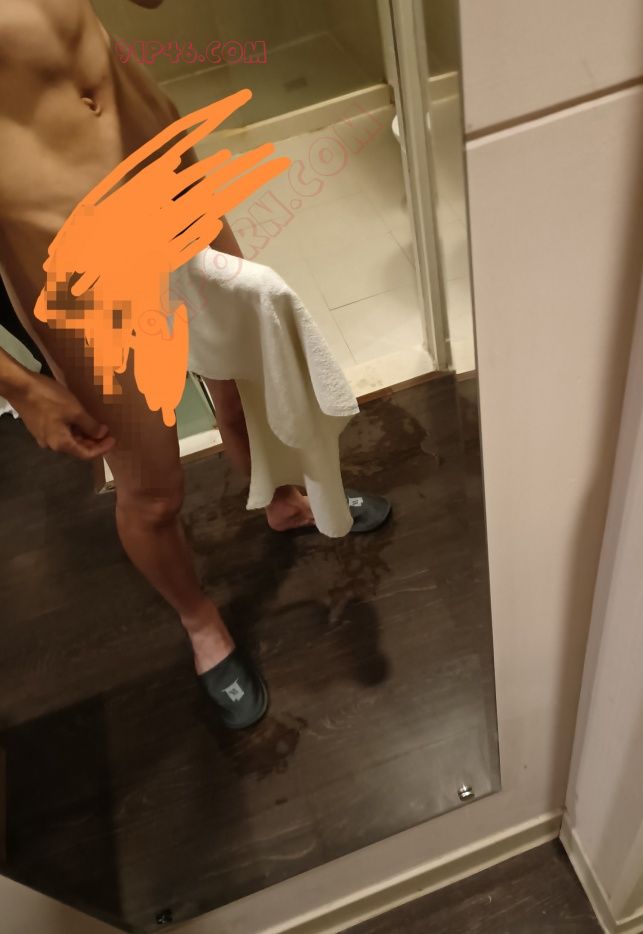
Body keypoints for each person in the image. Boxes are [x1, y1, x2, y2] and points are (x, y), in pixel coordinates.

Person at [0, 0, 389, 729]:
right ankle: (201, 622)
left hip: (171, 183)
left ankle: (283, 500)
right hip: (72, 262)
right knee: (153, 492)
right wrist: (21, 387)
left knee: (242, 381)